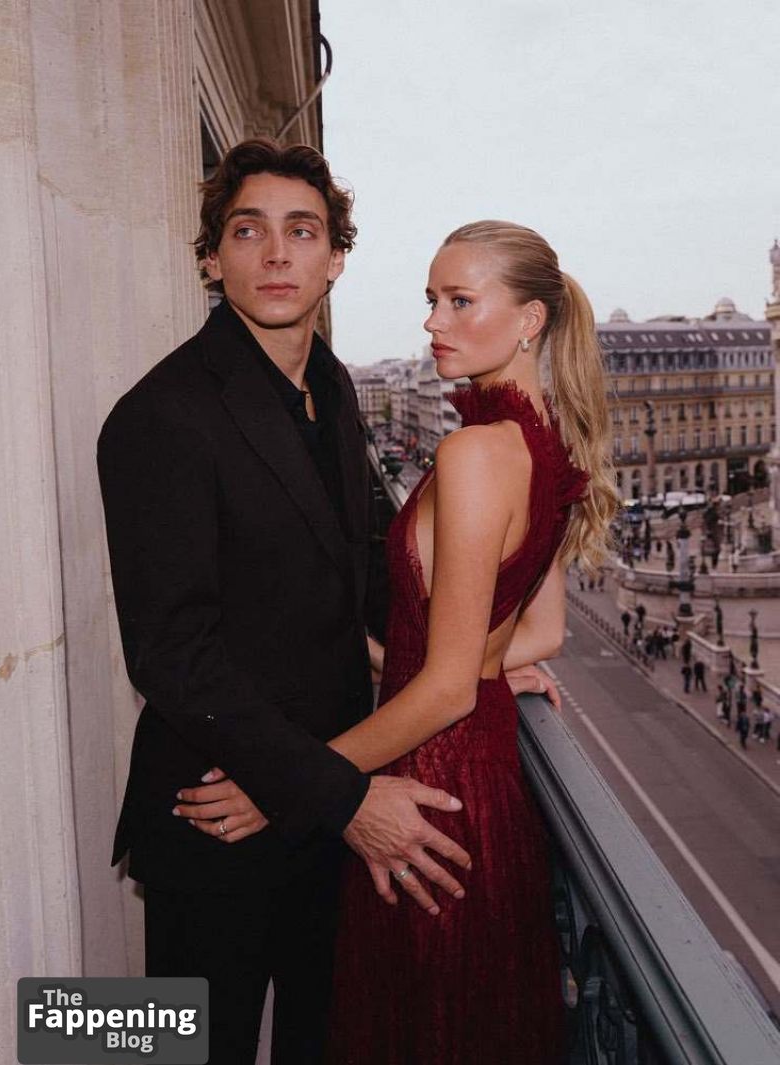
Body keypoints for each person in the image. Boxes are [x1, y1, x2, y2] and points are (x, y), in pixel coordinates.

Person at [98, 139, 510, 1065]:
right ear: (212, 258)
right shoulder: (159, 416)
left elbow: (367, 573)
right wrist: (338, 792)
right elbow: (171, 654)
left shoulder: (331, 386)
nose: (277, 253)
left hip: (319, 819)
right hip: (217, 816)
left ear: (336, 259)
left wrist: (488, 656)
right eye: (249, 231)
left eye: (303, 232)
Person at [320, 220, 616, 1063]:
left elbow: (447, 685)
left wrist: (300, 781)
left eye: (458, 301)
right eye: (431, 300)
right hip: (485, 783)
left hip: (429, 784)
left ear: (529, 320)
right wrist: (479, 667)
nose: (432, 321)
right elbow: (541, 631)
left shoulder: (477, 453)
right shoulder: (549, 446)